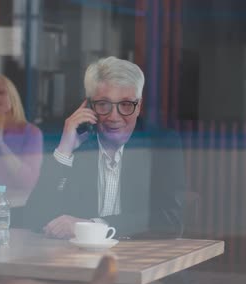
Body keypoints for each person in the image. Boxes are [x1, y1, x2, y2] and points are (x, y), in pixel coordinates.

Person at [24, 56, 185, 239]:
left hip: (138, 255)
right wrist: (64, 150)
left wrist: (93, 226)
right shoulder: (78, 144)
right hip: (78, 258)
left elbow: (170, 221)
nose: (114, 116)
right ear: (90, 106)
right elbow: (32, 217)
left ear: (139, 106)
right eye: (103, 105)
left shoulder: (160, 144)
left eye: (125, 105)